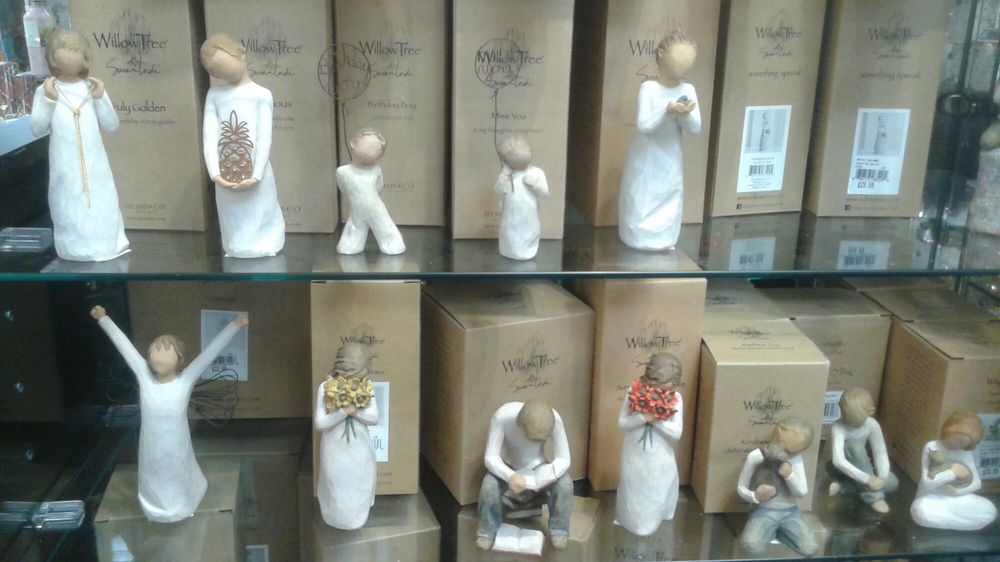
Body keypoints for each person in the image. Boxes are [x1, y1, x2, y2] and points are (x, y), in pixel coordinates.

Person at [91, 306, 248, 522]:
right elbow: (125, 347)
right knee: (153, 476)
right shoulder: (145, 377)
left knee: (177, 474)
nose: (157, 356)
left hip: (177, 445)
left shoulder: (185, 381)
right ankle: (155, 507)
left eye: (165, 350)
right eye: (155, 350)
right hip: (150, 446)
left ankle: (181, 504)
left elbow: (209, 354)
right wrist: (104, 319)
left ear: (179, 358)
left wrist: (234, 326)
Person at [31, 28, 129, 262]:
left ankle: (105, 243)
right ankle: (72, 246)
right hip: (64, 164)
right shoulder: (46, 90)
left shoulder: (92, 88)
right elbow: (37, 128)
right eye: (64, 50)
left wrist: (100, 98)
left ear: (85, 58)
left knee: (99, 199)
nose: (70, 55)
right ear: (52, 58)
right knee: (67, 199)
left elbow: (112, 124)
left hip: (96, 164)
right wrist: (49, 100)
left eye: (75, 50)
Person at [201, 33, 285, 258]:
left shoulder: (261, 94)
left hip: (256, 171)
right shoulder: (214, 94)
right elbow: (209, 136)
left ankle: (266, 240)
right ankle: (236, 244)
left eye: (225, 66)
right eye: (216, 72)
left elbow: (264, 137)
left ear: (241, 54)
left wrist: (256, 174)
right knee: (233, 217)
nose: (223, 74)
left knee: (260, 209)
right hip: (225, 173)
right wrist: (215, 173)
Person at [618, 30, 701, 251]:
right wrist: (668, 112)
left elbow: (695, 128)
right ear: (661, 54)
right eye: (679, 57)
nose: (683, 64)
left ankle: (664, 237)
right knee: (643, 192)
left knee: (669, 192)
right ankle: (638, 235)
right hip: (647, 155)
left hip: (671, 154)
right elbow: (645, 126)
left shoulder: (688, 90)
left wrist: (683, 115)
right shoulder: (649, 88)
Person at [477, 401, 572, 550]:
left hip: (539, 466)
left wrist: (551, 473)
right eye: (530, 437)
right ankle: (486, 531)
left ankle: (559, 530)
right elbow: (491, 457)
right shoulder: (502, 416)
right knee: (489, 485)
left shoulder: (555, 419)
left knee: (565, 484)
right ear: (519, 425)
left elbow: (564, 458)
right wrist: (510, 476)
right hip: (508, 465)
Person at [616, 353, 683, 536]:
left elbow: (677, 433)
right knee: (633, 488)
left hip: (659, 456)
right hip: (634, 453)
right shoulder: (634, 391)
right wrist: (642, 418)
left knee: (657, 488)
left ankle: (654, 519)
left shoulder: (676, 398)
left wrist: (657, 421)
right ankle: (631, 520)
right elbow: (622, 422)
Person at [315, 344, 379, 530]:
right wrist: (344, 412)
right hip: (334, 447)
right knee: (335, 483)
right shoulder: (325, 387)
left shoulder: (367, 387)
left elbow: (374, 418)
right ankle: (334, 517)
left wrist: (355, 411)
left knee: (360, 482)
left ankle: (357, 518)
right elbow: (320, 422)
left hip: (360, 447)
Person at [737, 417, 818, 556]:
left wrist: (790, 476)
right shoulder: (756, 457)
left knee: (810, 549)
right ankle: (770, 532)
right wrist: (755, 496)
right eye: (782, 446)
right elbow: (741, 487)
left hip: (790, 512)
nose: (785, 453)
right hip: (765, 511)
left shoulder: (795, 460)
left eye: (792, 451)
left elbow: (802, 492)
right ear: (776, 436)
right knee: (751, 545)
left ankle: (781, 533)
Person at [911, 411, 998, 531]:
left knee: (989, 509)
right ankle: (966, 523)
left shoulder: (965, 452)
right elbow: (927, 483)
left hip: (958, 499)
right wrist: (952, 473)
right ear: (948, 432)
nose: (957, 448)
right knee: (920, 510)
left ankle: (953, 522)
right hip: (932, 498)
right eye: (954, 442)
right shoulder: (932, 447)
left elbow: (976, 483)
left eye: (962, 445)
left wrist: (956, 492)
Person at [336, 128, 406, 255]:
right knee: (355, 228)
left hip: (375, 207)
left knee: (384, 226)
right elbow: (344, 188)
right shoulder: (343, 171)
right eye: (368, 147)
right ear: (353, 143)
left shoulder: (376, 170)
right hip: (357, 208)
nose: (371, 152)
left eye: (376, 150)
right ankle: (350, 245)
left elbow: (379, 187)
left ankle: (393, 244)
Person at [828, 388, 898, 513]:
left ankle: (844, 486)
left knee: (892, 483)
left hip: (861, 466)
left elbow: (880, 454)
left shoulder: (872, 425)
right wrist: (868, 479)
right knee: (855, 447)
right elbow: (838, 461)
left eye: (855, 416)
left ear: (870, 412)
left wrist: (882, 477)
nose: (849, 420)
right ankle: (874, 497)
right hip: (841, 468)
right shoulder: (838, 427)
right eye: (845, 415)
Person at [494, 136, 549, 260]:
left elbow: (545, 193)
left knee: (528, 232)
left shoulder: (537, 172)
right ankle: (509, 250)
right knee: (510, 234)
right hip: (510, 216)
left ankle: (527, 249)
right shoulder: (507, 175)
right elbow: (498, 190)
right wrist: (503, 177)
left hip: (529, 216)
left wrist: (535, 185)